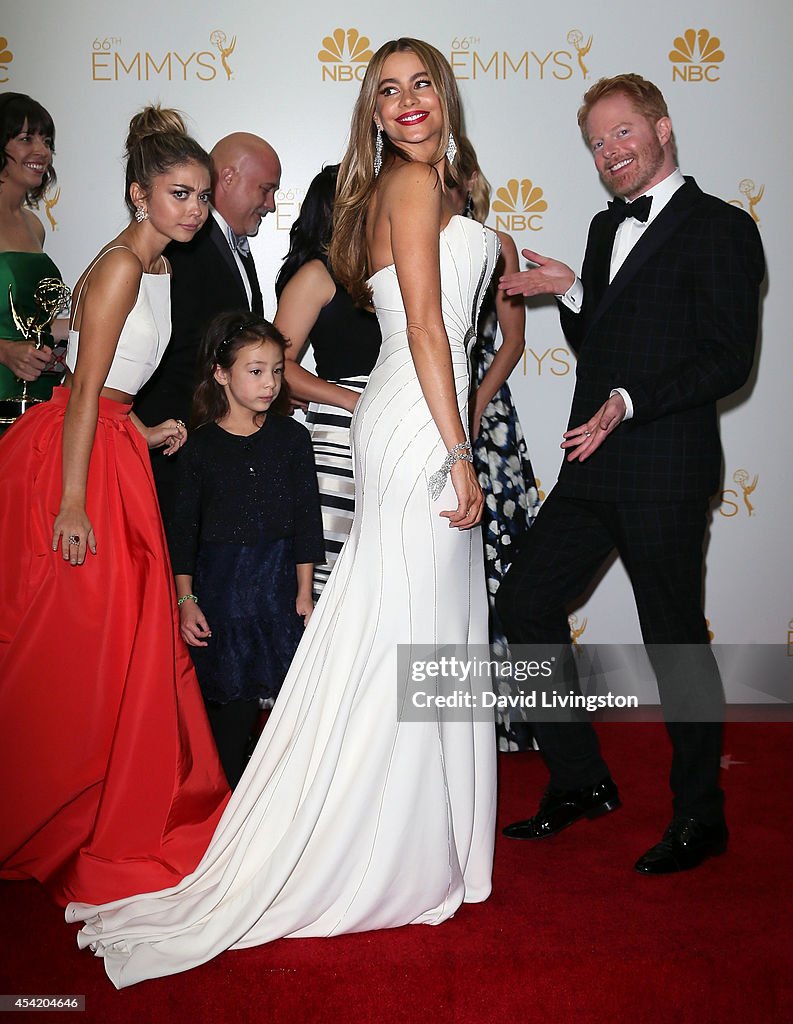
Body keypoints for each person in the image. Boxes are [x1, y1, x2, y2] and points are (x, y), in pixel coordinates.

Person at [67, 37, 497, 988]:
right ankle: (384, 840)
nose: (407, 101)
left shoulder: (438, 186)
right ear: (373, 116)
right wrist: (459, 449)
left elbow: (457, 326)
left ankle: (441, 839)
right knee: (407, 636)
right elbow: (425, 327)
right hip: (419, 423)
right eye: (386, 92)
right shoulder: (411, 187)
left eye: (420, 82)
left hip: (421, 413)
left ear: (443, 92)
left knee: (426, 634)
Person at [496, 74, 764, 874]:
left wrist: (627, 400)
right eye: (596, 142)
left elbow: (727, 358)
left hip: (664, 469)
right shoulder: (599, 225)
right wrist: (574, 290)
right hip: (592, 463)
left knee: (674, 643)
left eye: (621, 133)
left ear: (661, 127)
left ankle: (699, 817)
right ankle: (580, 781)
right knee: (524, 602)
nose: (609, 152)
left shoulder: (720, 227)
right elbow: (608, 341)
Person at [0, 106, 230, 907]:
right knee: (80, 646)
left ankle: (105, 791)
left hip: (118, 442)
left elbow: (117, 387)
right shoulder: (128, 265)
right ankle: (57, 804)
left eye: (201, 194)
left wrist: (151, 427)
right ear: (140, 195)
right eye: (177, 193)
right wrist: (71, 503)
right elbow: (85, 389)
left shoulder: (157, 265)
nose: (194, 208)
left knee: (120, 641)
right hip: (81, 459)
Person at [170, 312, 324, 788]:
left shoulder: (292, 438)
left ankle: (283, 805)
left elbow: (306, 518)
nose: (269, 383)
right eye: (255, 371)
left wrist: (305, 590)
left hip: (279, 586)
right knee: (230, 708)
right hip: (222, 590)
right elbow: (183, 532)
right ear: (221, 373)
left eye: (277, 370)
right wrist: (186, 599)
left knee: (294, 702)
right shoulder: (199, 449)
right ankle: (225, 811)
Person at [134, 131, 281, 524]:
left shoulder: (229, 244)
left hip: (202, 443)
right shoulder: (183, 244)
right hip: (173, 439)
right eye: (265, 189)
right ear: (229, 177)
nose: (270, 204)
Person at [449, 135, 539, 751]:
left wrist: (477, 404)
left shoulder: (497, 244)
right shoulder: (403, 237)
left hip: (487, 415)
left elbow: (511, 340)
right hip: (428, 409)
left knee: (505, 561)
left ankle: (520, 719)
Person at [274, 164, 381, 597]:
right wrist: (351, 400)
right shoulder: (316, 275)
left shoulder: (386, 275)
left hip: (389, 431)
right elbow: (276, 364)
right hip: (339, 439)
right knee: (330, 574)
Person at [0, 93, 68, 412]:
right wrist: (3, 351)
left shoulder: (33, 224)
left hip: (40, 394)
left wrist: (81, 326)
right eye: (26, 138)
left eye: (47, 140)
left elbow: (28, 321)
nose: (42, 151)